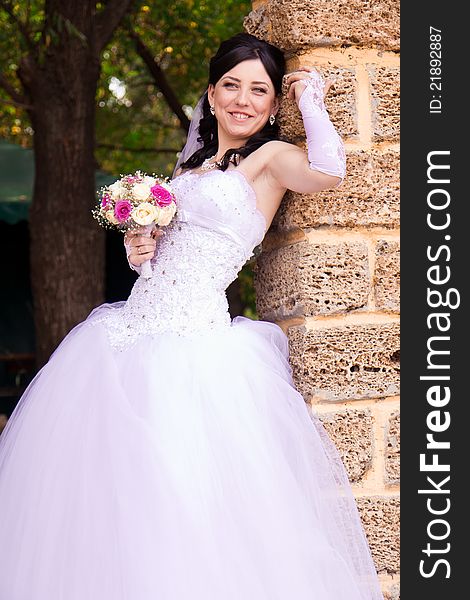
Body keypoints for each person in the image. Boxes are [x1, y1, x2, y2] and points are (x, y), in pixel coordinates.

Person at [0, 32, 383, 600]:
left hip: (196, 346)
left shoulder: (269, 160)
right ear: (211, 93)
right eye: (231, 86)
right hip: (129, 334)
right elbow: (165, 256)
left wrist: (311, 102)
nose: (243, 100)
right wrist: (140, 247)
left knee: (184, 489)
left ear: (272, 103)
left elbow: (327, 171)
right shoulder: (191, 165)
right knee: (115, 492)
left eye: (259, 90)